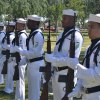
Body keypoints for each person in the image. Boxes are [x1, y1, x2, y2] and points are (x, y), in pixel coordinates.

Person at [51, 14, 100, 100]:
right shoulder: (90, 48)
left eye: (92, 27)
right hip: (86, 95)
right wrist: (78, 88)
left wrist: (77, 66)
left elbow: (97, 75)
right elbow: (84, 73)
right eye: (88, 26)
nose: (88, 29)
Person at [45, 9, 83, 100]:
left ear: (72, 20)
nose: (62, 20)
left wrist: (52, 60)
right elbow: (57, 52)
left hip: (66, 73)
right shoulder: (62, 34)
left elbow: (71, 60)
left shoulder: (76, 36)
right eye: (63, 18)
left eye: (65, 18)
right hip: (56, 73)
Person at [14, 15, 45, 100]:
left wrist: (21, 51)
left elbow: (35, 53)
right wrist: (23, 61)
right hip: (31, 63)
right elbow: (31, 51)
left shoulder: (38, 35)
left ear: (35, 23)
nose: (27, 23)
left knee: (35, 90)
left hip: (37, 64)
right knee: (31, 89)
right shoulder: (32, 34)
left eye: (29, 22)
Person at [10, 18, 27, 100]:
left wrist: (19, 62)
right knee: (18, 81)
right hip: (16, 60)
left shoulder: (22, 36)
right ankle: (18, 97)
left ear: (22, 25)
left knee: (20, 81)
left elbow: (22, 50)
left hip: (20, 60)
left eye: (17, 24)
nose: (15, 26)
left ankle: (20, 98)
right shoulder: (18, 34)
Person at [1, 21, 15, 94]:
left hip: (9, 56)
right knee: (6, 73)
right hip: (5, 55)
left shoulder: (12, 36)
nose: (6, 28)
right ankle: (6, 88)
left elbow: (11, 47)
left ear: (12, 28)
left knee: (9, 73)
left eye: (8, 27)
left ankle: (10, 89)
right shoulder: (7, 35)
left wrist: (5, 47)